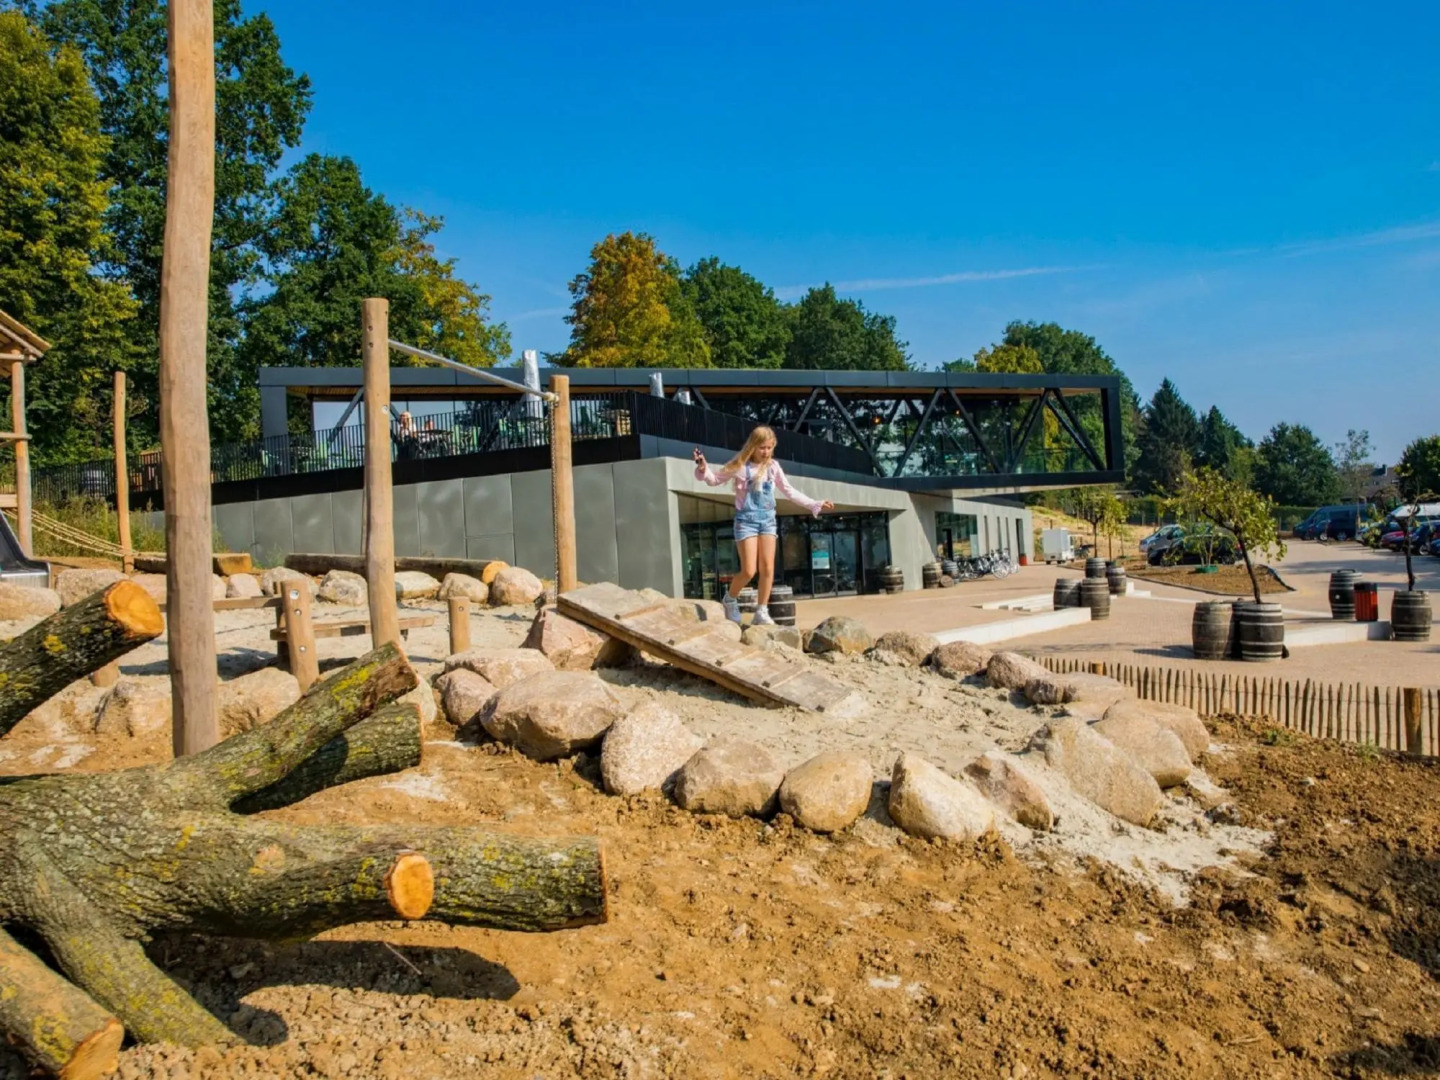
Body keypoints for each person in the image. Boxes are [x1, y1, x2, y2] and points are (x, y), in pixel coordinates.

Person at [693, 426, 833, 625]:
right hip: (746, 521)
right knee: (749, 570)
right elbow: (714, 480)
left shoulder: (773, 467)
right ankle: (730, 599)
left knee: (767, 567)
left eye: (769, 447)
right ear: (753, 446)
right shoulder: (740, 466)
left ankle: (761, 611)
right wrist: (702, 468)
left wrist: (814, 503)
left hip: (768, 520)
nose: (765, 452)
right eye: (762, 448)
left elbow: (789, 491)